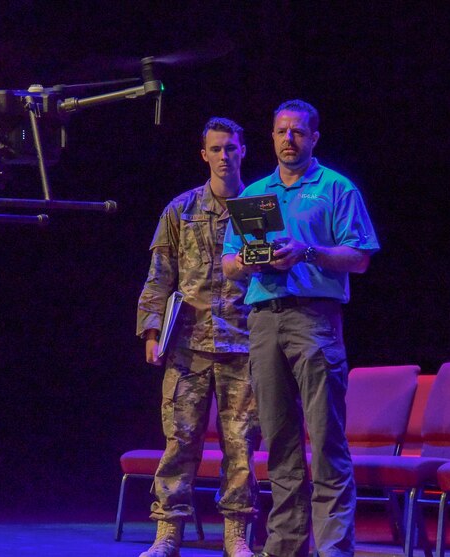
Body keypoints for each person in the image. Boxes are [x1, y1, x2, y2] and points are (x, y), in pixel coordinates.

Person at [222, 99, 379, 557]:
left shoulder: (335, 188)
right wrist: (257, 259)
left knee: (325, 438)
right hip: (264, 319)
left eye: (298, 132)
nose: (288, 139)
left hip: (314, 316)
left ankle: (332, 549)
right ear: (270, 137)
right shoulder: (253, 193)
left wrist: (306, 251)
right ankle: (286, 547)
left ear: (314, 138)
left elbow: (361, 256)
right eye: (280, 131)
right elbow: (230, 262)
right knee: (279, 440)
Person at [136, 117, 260, 557]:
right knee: (180, 438)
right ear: (203, 154)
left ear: (243, 150)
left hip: (244, 344)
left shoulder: (259, 207)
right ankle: (169, 531)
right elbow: (159, 276)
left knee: (240, 444)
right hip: (188, 344)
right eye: (216, 149)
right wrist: (151, 331)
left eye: (231, 147)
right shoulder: (181, 209)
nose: (224, 156)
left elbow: (277, 274)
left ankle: (236, 534)